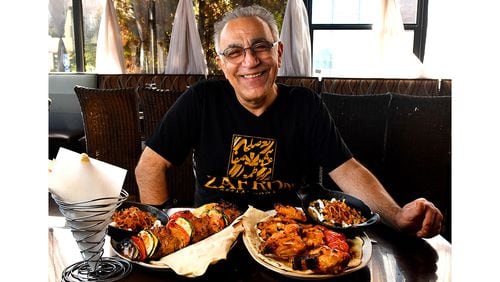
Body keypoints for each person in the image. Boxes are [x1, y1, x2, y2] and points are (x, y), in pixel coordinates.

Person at [135, 5, 443, 238]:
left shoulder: (305, 104)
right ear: (222, 64)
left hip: (291, 234)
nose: (250, 61)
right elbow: (149, 166)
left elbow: (346, 169)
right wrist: (165, 233)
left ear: (278, 52)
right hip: (215, 235)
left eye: (260, 47)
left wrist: (399, 215)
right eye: (234, 52)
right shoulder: (201, 99)